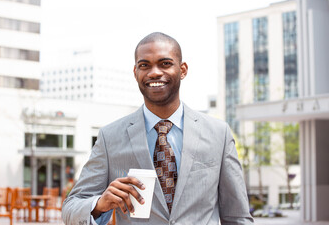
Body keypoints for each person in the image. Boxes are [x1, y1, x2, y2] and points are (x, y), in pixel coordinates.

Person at [62, 32, 254, 225]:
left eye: (165, 63)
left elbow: (237, 217)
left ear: (183, 69)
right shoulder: (109, 137)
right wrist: (99, 204)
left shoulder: (218, 134)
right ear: (135, 72)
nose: (154, 72)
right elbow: (71, 208)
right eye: (144, 65)